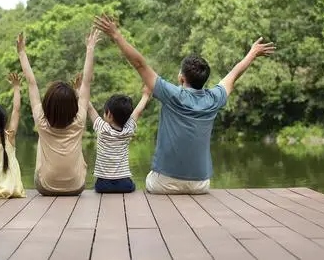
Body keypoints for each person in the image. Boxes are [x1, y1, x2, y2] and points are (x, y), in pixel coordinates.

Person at [94, 14, 275, 194]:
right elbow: (233, 75)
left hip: (164, 184)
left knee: (146, 179)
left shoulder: (171, 94)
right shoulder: (214, 98)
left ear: (181, 77)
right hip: (200, 185)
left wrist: (115, 34)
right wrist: (252, 53)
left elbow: (140, 64)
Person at [17, 28, 101, 196]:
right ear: (73, 105)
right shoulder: (79, 121)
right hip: (76, 187)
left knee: (42, 139)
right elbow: (85, 83)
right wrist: (90, 48)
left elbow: (31, 83)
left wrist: (21, 52)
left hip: (46, 188)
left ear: (47, 103)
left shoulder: (41, 120)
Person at [85, 82, 151, 193]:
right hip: (124, 184)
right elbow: (138, 112)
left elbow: (90, 108)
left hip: (103, 185)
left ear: (109, 114)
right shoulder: (128, 130)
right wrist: (146, 95)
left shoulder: (102, 128)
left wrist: (79, 90)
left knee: (95, 187)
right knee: (132, 185)